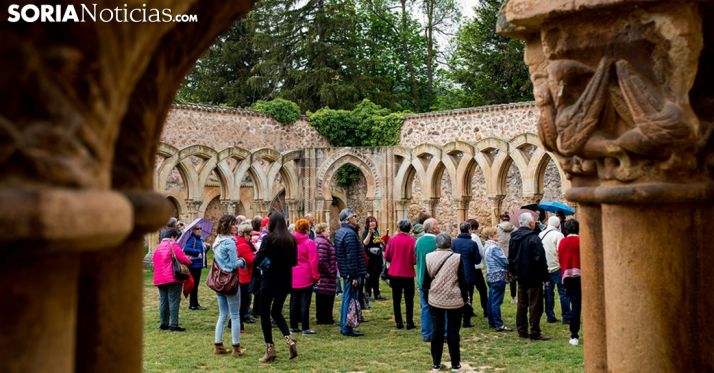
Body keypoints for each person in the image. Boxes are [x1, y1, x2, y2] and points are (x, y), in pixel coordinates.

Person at [254, 213, 298, 363]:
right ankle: (289, 339)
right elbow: (294, 261)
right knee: (277, 311)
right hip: (285, 280)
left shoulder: (268, 239)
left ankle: (270, 349)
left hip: (270, 279)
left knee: (265, 313)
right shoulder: (291, 239)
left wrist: (268, 262)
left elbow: (257, 259)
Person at [422, 233, 467, 372]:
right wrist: (465, 298)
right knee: (453, 331)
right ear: (450, 244)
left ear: (437, 244)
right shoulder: (457, 258)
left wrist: (427, 294)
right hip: (454, 298)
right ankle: (455, 364)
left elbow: (425, 281)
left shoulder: (428, 257)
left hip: (435, 298)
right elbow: (462, 280)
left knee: (437, 329)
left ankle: (436, 363)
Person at [509, 212, 550, 341]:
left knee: (522, 303)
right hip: (533, 276)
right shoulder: (533, 238)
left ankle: (521, 329)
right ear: (530, 223)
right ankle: (534, 331)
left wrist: (513, 272)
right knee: (534, 304)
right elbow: (540, 259)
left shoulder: (514, 238)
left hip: (520, 275)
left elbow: (511, 257)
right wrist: (545, 276)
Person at [211, 215, 247, 356]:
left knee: (223, 314)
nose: (236, 226)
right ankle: (236, 348)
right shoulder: (230, 243)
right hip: (230, 281)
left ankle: (218, 344)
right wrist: (242, 261)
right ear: (227, 225)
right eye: (233, 224)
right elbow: (233, 264)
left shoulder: (217, 241)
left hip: (219, 281)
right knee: (235, 315)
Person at [334, 208, 367, 337]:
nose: (356, 218)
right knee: (349, 299)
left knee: (348, 299)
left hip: (346, 271)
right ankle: (346, 327)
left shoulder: (340, 232)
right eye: (354, 216)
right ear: (348, 220)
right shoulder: (349, 234)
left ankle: (346, 325)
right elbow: (351, 256)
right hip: (351, 273)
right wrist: (353, 275)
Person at [152, 228, 192, 332]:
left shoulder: (158, 247)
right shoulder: (173, 244)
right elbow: (182, 258)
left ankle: (164, 324)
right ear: (172, 236)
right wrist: (189, 260)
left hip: (159, 278)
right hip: (172, 277)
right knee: (174, 301)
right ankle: (174, 325)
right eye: (176, 237)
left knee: (163, 301)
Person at [384, 220, 417, 330]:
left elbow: (387, 255)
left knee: (396, 299)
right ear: (409, 229)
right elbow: (414, 259)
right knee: (409, 299)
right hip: (407, 273)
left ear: (399, 228)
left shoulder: (392, 240)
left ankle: (398, 322)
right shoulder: (412, 241)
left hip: (395, 272)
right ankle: (409, 322)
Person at [290, 218, 320, 335]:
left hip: (293, 274)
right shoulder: (309, 243)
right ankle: (305, 327)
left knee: (294, 301)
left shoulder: (291, 242)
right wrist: (316, 276)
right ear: (307, 229)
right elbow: (313, 261)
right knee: (305, 302)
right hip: (306, 275)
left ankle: (293, 325)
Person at [539, 216, 570, 324]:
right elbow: (561, 251)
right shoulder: (559, 235)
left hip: (545, 268)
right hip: (557, 268)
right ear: (558, 224)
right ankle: (566, 317)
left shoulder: (541, 234)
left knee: (548, 293)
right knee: (563, 293)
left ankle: (550, 315)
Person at [451, 221, 482, 328]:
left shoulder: (454, 242)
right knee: (469, 296)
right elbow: (477, 260)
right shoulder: (472, 243)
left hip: (456, 272)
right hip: (469, 272)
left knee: (457, 295)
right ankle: (466, 320)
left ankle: (456, 317)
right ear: (469, 230)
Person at [483, 227, 512, 332]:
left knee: (491, 299)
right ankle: (498, 324)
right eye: (496, 234)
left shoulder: (486, 246)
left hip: (491, 275)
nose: (498, 236)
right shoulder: (494, 248)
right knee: (496, 301)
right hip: (498, 275)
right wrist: (511, 262)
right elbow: (504, 261)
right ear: (490, 236)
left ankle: (492, 321)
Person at [416, 217, 440, 342]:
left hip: (421, 277)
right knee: (441, 307)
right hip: (436, 279)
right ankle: (444, 333)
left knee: (425, 307)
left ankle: (426, 333)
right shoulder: (438, 241)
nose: (439, 226)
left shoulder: (418, 241)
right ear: (433, 228)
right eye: (437, 224)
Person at [559, 219, 581, 346]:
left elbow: (561, 258)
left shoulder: (563, 242)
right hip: (583, 276)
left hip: (568, 277)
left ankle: (574, 335)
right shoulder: (581, 241)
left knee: (575, 306)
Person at [314, 223, 338, 325]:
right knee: (326, 296)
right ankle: (326, 318)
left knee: (322, 296)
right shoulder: (323, 242)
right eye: (327, 229)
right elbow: (322, 260)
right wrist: (331, 271)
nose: (329, 231)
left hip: (324, 274)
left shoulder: (320, 241)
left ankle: (323, 317)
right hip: (326, 275)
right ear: (322, 230)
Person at [235, 224, 256, 329]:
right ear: (245, 234)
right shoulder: (244, 245)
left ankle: (233, 322)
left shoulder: (237, 242)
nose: (250, 238)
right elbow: (251, 261)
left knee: (239, 301)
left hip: (239, 275)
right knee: (243, 302)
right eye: (249, 235)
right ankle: (239, 324)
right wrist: (255, 255)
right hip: (243, 276)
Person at [184, 224, 207, 311]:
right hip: (193, 265)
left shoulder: (199, 239)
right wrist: (197, 252)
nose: (199, 230)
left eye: (201, 228)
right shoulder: (192, 239)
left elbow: (202, 252)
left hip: (198, 265)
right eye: (197, 229)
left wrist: (206, 248)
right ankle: (193, 304)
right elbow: (186, 249)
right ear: (193, 230)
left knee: (195, 285)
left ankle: (195, 303)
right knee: (194, 285)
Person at [362, 216, 386, 301]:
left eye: (374, 221)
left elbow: (376, 242)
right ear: (367, 224)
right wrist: (369, 233)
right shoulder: (366, 232)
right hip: (370, 257)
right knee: (370, 276)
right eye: (370, 221)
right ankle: (368, 295)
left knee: (376, 276)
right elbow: (365, 243)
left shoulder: (376, 232)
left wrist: (382, 242)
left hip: (378, 256)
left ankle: (377, 294)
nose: (372, 223)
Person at [497, 214, 516, 304]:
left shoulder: (497, 228)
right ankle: (513, 297)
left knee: (501, 275)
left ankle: (501, 295)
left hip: (501, 255)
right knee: (512, 276)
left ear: (502, 219)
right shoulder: (515, 229)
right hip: (512, 255)